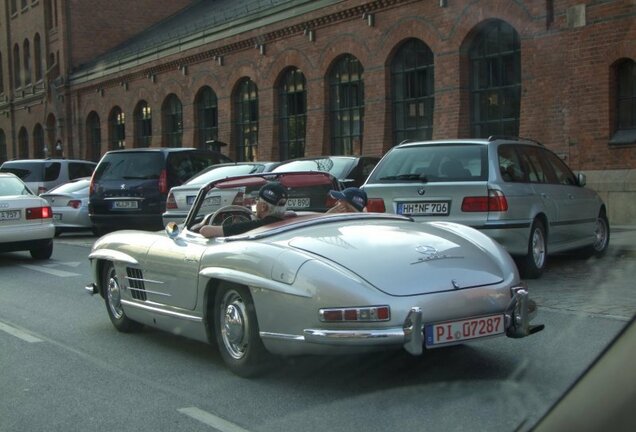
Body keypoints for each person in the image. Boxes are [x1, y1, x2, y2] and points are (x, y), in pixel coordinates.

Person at [199, 181, 288, 238]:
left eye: (257, 201)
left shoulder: (255, 226)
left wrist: (202, 224)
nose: (256, 203)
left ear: (263, 207)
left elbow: (205, 231)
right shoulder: (291, 219)